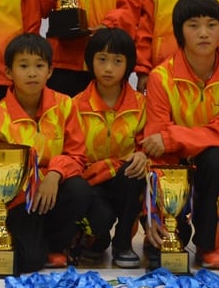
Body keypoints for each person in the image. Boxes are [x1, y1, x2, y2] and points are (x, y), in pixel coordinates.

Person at [140, 0, 219, 270]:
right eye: (193, 25)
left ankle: (207, 243)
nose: (204, 33)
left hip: (214, 162)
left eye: (212, 24)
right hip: (173, 165)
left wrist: (175, 137)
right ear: (179, 32)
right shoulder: (161, 78)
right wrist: (153, 214)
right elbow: (155, 141)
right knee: (160, 252)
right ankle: (167, 229)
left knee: (218, 156)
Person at [0, 33, 91, 272]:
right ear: (9, 73)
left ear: (50, 71)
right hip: (19, 201)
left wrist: (54, 174)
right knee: (29, 262)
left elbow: (77, 156)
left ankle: (56, 246)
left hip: (55, 191)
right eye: (23, 66)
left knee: (79, 190)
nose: (32, 73)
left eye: (39, 66)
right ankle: (31, 243)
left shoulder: (65, 105)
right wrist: (33, 184)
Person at [71, 27, 147, 267]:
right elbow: (70, 151)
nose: (108, 68)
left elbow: (147, 144)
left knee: (133, 173)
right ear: (90, 62)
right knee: (98, 217)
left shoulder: (141, 104)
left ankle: (123, 244)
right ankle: (96, 237)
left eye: (117, 61)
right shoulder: (74, 105)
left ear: (128, 65)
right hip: (90, 178)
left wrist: (143, 156)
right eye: (101, 60)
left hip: (124, 180)